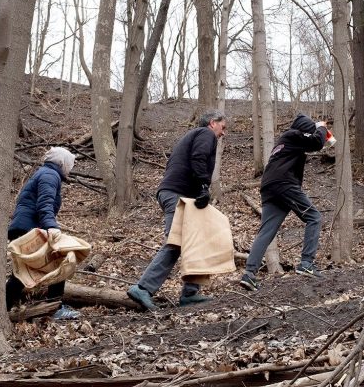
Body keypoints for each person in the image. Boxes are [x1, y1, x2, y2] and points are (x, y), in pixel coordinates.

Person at [127, 110, 227, 311]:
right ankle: (143, 287)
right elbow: (198, 157)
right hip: (177, 194)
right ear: (212, 123)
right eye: (222, 127)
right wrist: (203, 186)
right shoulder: (205, 134)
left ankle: (190, 293)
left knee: (196, 241)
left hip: (177, 193)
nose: (223, 133)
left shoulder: (192, 136)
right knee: (176, 242)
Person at [239, 113, 327, 292]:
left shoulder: (285, 142)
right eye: (308, 132)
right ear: (304, 130)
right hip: (283, 184)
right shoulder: (293, 135)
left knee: (267, 231)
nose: (309, 135)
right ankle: (306, 263)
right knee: (314, 217)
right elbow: (317, 143)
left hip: (270, 187)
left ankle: (249, 274)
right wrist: (321, 127)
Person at [6, 146, 81, 321]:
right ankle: (55, 308)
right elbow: (44, 204)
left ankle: (4, 307)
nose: (71, 168)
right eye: (70, 163)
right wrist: (51, 226)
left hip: (26, 227)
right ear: (62, 162)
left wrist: (49, 224)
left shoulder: (46, 173)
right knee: (58, 261)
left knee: (24, 272)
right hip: (30, 229)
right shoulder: (50, 175)